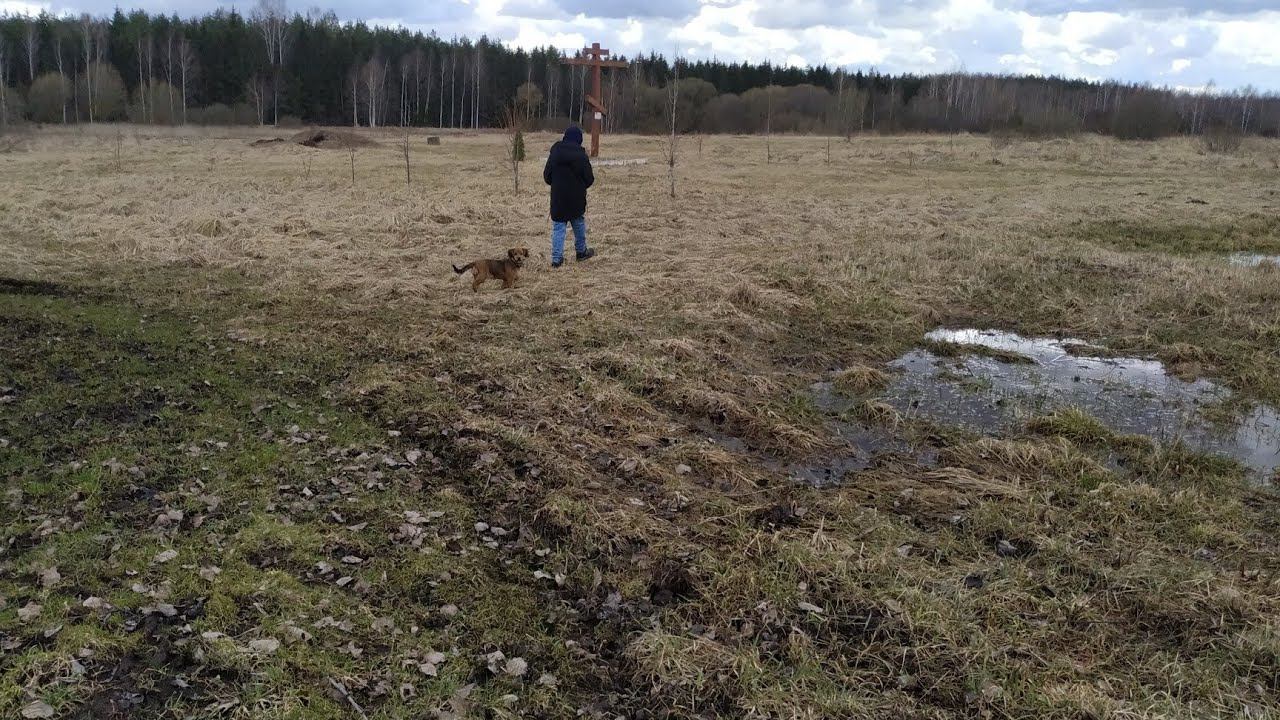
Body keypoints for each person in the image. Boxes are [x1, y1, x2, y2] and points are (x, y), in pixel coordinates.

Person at [543, 126, 596, 268]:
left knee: (558, 228)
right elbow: (590, 179)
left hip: (558, 198)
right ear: (579, 140)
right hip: (576, 198)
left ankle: (556, 260)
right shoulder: (581, 156)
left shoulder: (555, 153)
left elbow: (547, 176)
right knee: (578, 224)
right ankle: (581, 252)